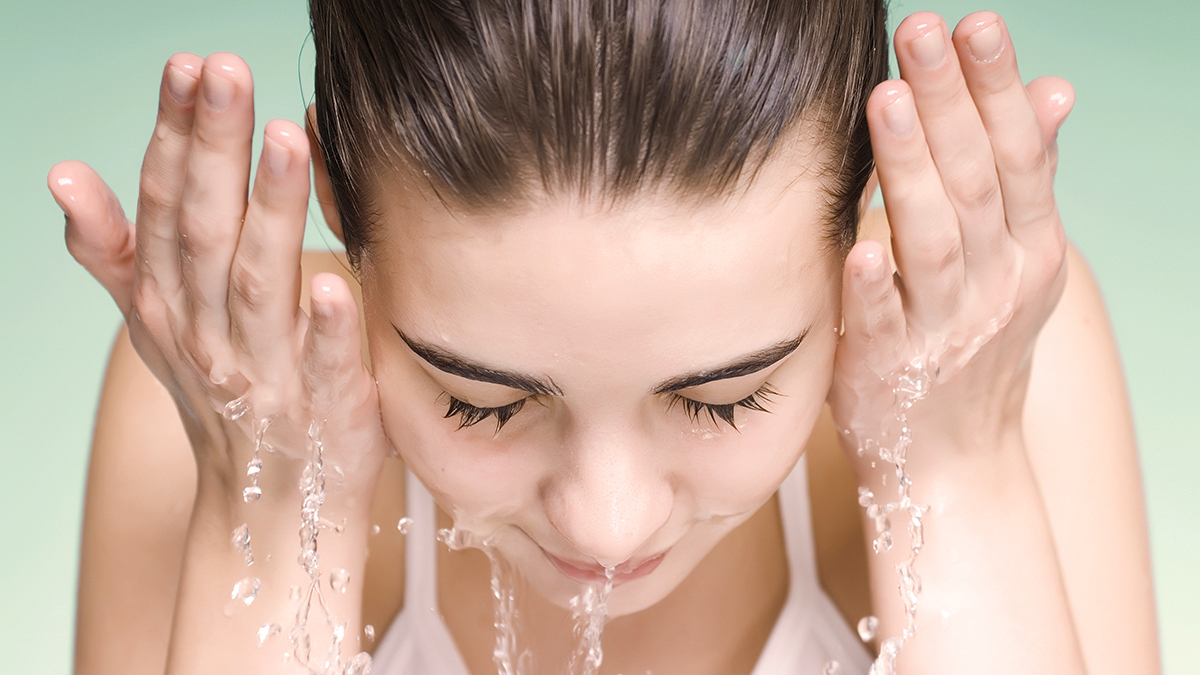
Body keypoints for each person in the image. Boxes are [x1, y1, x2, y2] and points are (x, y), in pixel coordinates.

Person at [49, 1, 1160, 673]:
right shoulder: (233, 389)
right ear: (341, 206)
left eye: (726, 399)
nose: (608, 520)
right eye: (481, 403)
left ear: (850, 226)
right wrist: (280, 497)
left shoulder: (987, 351)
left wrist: (956, 467)